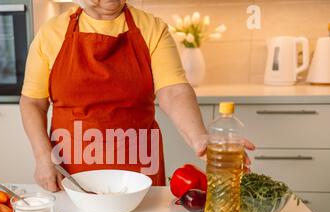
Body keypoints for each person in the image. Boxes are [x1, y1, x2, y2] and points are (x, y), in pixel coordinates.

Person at [19, 0, 254, 192]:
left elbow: (173, 90)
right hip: (71, 169)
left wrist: (198, 137)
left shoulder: (152, 28)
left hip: (139, 170)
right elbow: (32, 102)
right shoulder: (51, 32)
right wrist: (42, 157)